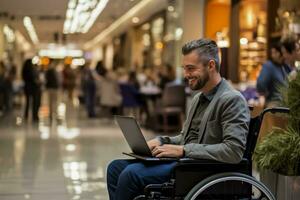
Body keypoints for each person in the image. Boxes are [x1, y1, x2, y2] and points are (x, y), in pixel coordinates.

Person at [106, 38, 250, 200]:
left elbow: (233, 151)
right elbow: (185, 137)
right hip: (186, 163)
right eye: (184, 69)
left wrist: (184, 150)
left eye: (191, 69)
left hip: (200, 169)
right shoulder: (198, 99)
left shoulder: (231, 100)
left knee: (131, 174)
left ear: (211, 65)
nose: (186, 75)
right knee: (115, 168)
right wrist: (161, 141)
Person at [256, 43, 291, 107]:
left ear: (281, 53)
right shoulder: (268, 66)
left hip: (287, 103)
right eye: (272, 52)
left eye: (275, 52)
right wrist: (264, 94)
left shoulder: (285, 66)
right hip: (274, 103)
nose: (273, 55)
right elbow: (261, 84)